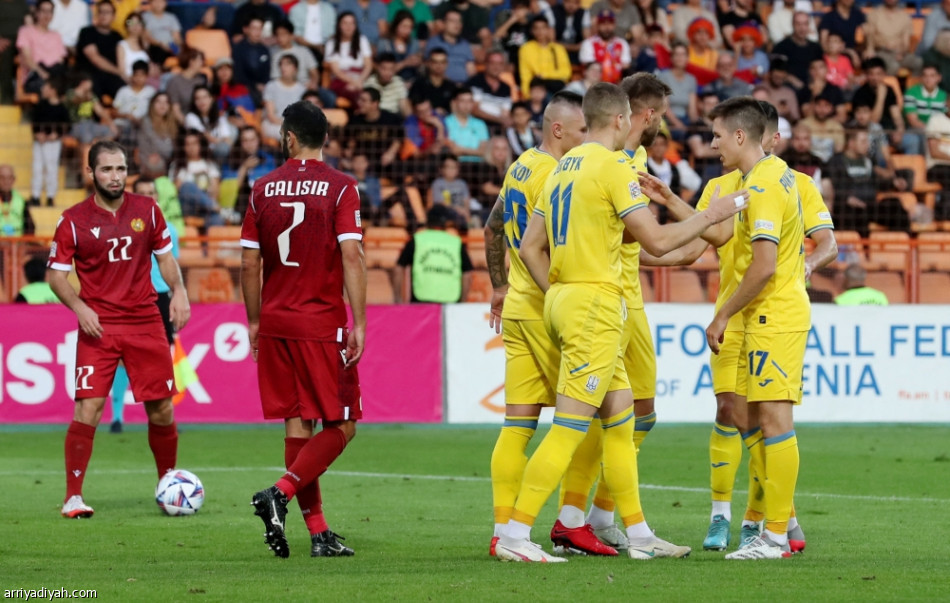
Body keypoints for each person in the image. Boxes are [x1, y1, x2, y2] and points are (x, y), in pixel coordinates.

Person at [493, 83, 744, 563]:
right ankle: (516, 534)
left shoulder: (561, 167)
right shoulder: (613, 167)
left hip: (567, 300)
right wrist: (709, 215)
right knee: (569, 426)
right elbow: (657, 240)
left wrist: (557, 291)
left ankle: (640, 534)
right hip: (596, 307)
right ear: (620, 120)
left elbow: (528, 247)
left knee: (622, 420)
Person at [549, 73, 692, 556]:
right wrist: (698, 225)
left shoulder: (632, 159)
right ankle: (572, 518)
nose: (660, 124)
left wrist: (674, 252)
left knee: (633, 414)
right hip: (609, 301)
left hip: (621, 296)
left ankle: (598, 518)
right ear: (641, 115)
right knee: (607, 414)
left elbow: (627, 239)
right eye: (660, 115)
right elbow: (637, 234)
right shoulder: (612, 163)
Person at [242, 101, 366, 559]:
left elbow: (248, 262)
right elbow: (351, 255)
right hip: (320, 322)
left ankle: (318, 533)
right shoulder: (341, 187)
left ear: (289, 138)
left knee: (299, 423)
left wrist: (255, 320)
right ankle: (281, 491)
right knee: (344, 424)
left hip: (276, 321)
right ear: (324, 139)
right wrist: (360, 321)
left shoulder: (261, 188)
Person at [48, 140, 190, 519]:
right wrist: (80, 308)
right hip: (99, 326)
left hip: (145, 321)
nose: (115, 176)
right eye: (107, 169)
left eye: (121, 169)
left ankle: (167, 486)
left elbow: (166, 259)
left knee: (162, 408)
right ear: (91, 173)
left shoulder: (148, 210)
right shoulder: (73, 220)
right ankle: (73, 497)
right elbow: (55, 276)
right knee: (88, 407)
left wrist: (179, 291)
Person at [698, 97, 806, 560]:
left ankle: (775, 536)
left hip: (774, 316)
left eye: (718, 136)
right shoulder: (770, 176)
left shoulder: (762, 184)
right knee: (762, 422)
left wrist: (722, 314)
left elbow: (763, 266)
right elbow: (720, 235)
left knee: (776, 423)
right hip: (773, 315)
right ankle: (778, 530)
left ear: (740, 136)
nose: (713, 144)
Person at [484, 96, 587, 555]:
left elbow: (492, 228)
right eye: (582, 131)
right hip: (547, 309)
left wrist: (499, 286)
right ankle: (572, 521)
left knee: (517, 426)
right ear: (558, 130)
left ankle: (502, 531)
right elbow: (549, 247)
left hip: (518, 307)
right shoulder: (556, 174)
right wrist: (561, 298)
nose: (587, 139)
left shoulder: (521, 165)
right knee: (592, 415)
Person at [109, 177, 179, 434]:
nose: (149, 197)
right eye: (143, 192)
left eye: (152, 192)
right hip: (130, 297)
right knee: (122, 358)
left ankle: (165, 417)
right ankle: (117, 417)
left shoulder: (170, 230)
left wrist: (178, 294)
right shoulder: (121, 227)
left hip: (160, 297)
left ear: (157, 196)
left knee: (163, 358)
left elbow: (172, 265)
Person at [393, 204, 473, 303]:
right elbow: (467, 274)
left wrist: (397, 298)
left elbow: (398, 268)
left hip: (420, 302)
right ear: (446, 222)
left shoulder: (417, 240)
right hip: (450, 303)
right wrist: (463, 301)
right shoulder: (456, 242)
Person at [30, 79, 71, 207]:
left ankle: (50, 196)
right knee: (37, 167)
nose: (43, 89)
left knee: (51, 168)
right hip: (40, 142)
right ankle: (35, 196)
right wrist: (37, 133)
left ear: (53, 90)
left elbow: (67, 125)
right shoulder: (40, 105)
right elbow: (34, 121)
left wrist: (56, 134)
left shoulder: (62, 108)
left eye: (46, 87)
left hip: (53, 143)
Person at [76, 0, 124, 99]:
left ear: (114, 16)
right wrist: (119, 72)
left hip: (111, 76)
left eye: (107, 12)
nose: (103, 15)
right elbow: (95, 58)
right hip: (89, 75)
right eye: (101, 12)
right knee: (91, 87)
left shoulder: (118, 37)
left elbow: (124, 58)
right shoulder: (86, 32)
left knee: (125, 90)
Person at [324, 12, 374, 106]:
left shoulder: (362, 40)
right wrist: (353, 82)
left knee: (371, 94)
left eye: (352, 23)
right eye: (345, 23)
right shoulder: (331, 43)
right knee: (358, 96)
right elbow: (336, 70)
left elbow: (368, 65)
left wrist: (359, 81)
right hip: (341, 80)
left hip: (361, 78)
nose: (349, 26)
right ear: (339, 25)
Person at [518, 16, 571, 97]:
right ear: (532, 31)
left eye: (543, 28)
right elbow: (525, 75)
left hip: (556, 86)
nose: (540, 31)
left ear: (548, 30)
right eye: (536, 28)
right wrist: (527, 95)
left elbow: (566, 73)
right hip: (537, 87)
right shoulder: (526, 49)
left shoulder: (558, 48)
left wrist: (544, 75)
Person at [773, 11, 824, 89]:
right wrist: (791, 79)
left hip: (812, 88)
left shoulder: (816, 48)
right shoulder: (781, 47)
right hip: (788, 88)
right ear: (792, 25)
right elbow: (775, 72)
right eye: (798, 24)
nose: (802, 28)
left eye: (805, 24)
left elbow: (821, 69)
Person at [579, 10, 631, 85]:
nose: (607, 27)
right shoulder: (588, 43)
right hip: (595, 85)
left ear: (614, 25)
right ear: (597, 25)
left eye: (610, 23)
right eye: (603, 23)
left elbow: (626, 66)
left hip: (617, 84)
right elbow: (589, 67)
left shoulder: (622, 43)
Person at [262, 55, 307, 141]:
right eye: (281, 64)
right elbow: (271, 116)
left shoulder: (302, 89)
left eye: (287, 64)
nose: (283, 67)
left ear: (295, 68)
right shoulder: (271, 86)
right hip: (274, 125)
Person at [426, 8, 476, 85]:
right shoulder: (433, 43)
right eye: (452, 21)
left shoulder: (465, 44)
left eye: (459, 21)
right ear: (444, 23)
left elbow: (471, 69)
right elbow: (430, 67)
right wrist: (452, 85)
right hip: (442, 85)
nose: (457, 24)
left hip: (464, 86)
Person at [233, 18, 272, 107]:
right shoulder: (239, 48)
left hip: (263, 87)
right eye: (254, 28)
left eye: (260, 29)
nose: (257, 32)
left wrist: (264, 85)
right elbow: (238, 73)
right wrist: (255, 85)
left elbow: (267, 71)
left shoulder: (264, 49)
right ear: (246, 30)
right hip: (245, 87)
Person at [270, 20, 319, 90]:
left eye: (283, 34)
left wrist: (313, 84)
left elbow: (314, 72)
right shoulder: (275, 55)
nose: (280, 38)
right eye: (278, 35)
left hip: (307, 87)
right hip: (286, 88)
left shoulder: (304, 51)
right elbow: (276, 79)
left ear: (291, 36)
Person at [0, 164, 35, 236]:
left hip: (18, 241)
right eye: (2, 178)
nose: (6, 181)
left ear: (14, 179)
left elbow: (30, 229)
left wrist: (22, 242)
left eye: (9, 178)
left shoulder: (21, 201)